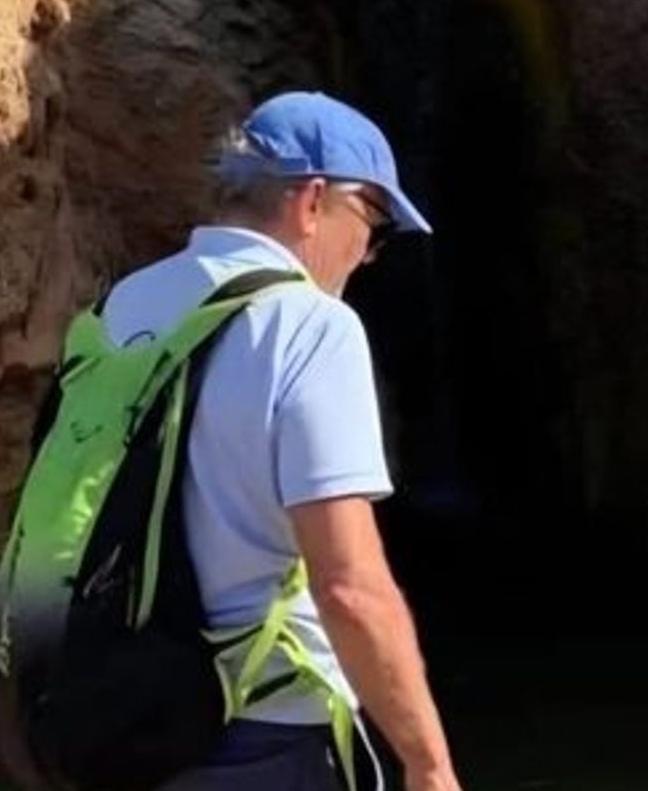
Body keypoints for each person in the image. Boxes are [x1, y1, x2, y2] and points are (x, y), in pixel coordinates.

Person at [104, 92, 462, 790]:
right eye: (374, 222)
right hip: (262, 728)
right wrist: (428, 763)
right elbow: (349, 585)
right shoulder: (308, 325)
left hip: (114, 712)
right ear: (312, 202)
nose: (369, 254)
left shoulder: (121, 307)